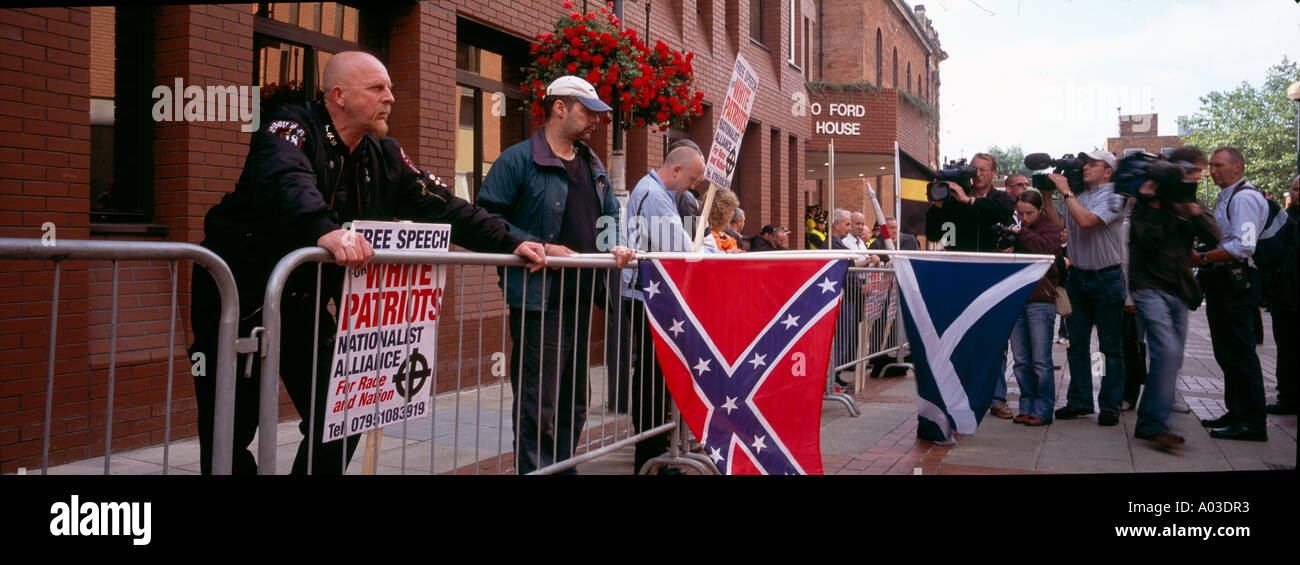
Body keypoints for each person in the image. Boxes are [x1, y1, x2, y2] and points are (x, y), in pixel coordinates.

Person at [189, 51, 546, 475]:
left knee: (341, 413)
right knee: (229, 430)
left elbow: (446, 206)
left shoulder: (384, 154)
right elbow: (286, 179)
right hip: (238, 299)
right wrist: (323, 229)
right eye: (377, 88)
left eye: (390, 87)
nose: (390, 98)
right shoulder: (289, 126)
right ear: (338, 95)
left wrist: (514, 240)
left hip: (302, 301)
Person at [476, 75, 636, 472]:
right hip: (539, 301)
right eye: (588, 112)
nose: (596, 121)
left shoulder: (592, 163)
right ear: (560, 108)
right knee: (538, 402)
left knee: (573, 401)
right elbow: (485, 217)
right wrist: (538, 245)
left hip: (580, 298)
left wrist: (613, 242)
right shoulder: (517, 160)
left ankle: (561, 466)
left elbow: (611, 214)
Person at [620, 143, 715, 473]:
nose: (693, 185)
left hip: (652, 295)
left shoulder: (659, 194)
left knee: (656, 377)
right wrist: (720, 256)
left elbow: (681, 244)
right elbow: (681, 247)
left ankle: (657, 453)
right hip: (645, 295)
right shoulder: (655, 195)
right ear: (675, 170)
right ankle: (650, 456)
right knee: (650, 377)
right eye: (692, 178)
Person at [1125, 157, 1220, 448]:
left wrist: (1193, 212)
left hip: (1177, 289)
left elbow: (1214, 237)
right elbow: (1150, 242)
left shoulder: (1186, 206)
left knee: (1171, 358)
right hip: (1148, 288)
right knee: (1165, 352)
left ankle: (1149, 421)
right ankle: (1154, 424)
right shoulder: (1142, 210)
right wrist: (1155, 206)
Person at [1040, 150, 1129, 426]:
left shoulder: (1116, 195)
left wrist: (1066, 193)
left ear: (1108, 171)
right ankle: (1080, 401)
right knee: (1077, 344)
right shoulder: (1079, 194)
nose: (1085, 167)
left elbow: (1087, 221)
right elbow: (1060, 226)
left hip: (1107, 277)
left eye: (1092, 163)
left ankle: (1109, 404)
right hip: (1078, 277)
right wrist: (1046, 195)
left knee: (1106, 347)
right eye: (1085, 163)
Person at [926, 152, 1016, 418]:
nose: (977, 174)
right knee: (960, 336)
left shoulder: (1000, 198)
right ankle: (960, 394)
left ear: (993, 173)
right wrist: (939, 207)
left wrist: (970, 201)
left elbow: (1004, 211)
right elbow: (934, 233)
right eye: (973, 169)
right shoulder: (955, 197)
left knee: (995, 338)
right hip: (961, 275)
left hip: (993, 275)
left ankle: (997, 397)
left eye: (983, 170)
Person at [1194, 147, 1270, 441]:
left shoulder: (1246, 198)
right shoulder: (1226, 196)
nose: (1213, 171)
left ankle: (1253, 421)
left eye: (1219, 165)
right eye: (1211, 166)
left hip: (1237, 282)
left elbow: (1245, 246)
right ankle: (1237, 411)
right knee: (1227, 352)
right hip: (1224, 281)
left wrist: (1202, 258)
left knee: (1240, 354)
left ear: (1238, 167)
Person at [1003, 190, 1061, 426]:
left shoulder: (1049, 229)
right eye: (1020, 213)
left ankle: (1043, 409)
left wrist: (1020, 232)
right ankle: (1027, 406)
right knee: (1021, 359)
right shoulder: (1015, 230)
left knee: (1040, 360)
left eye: (1029, 213)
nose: (1024, 217)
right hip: (1018, 297)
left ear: (1040, 211)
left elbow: (1046, 249)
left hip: (1040, 299)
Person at [1265, 175, 1299, 415]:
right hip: (1285, 297)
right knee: (1286, 350)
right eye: (1295, 189)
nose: (1298, 193)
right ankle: (1287, 398)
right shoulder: (1285, 220)